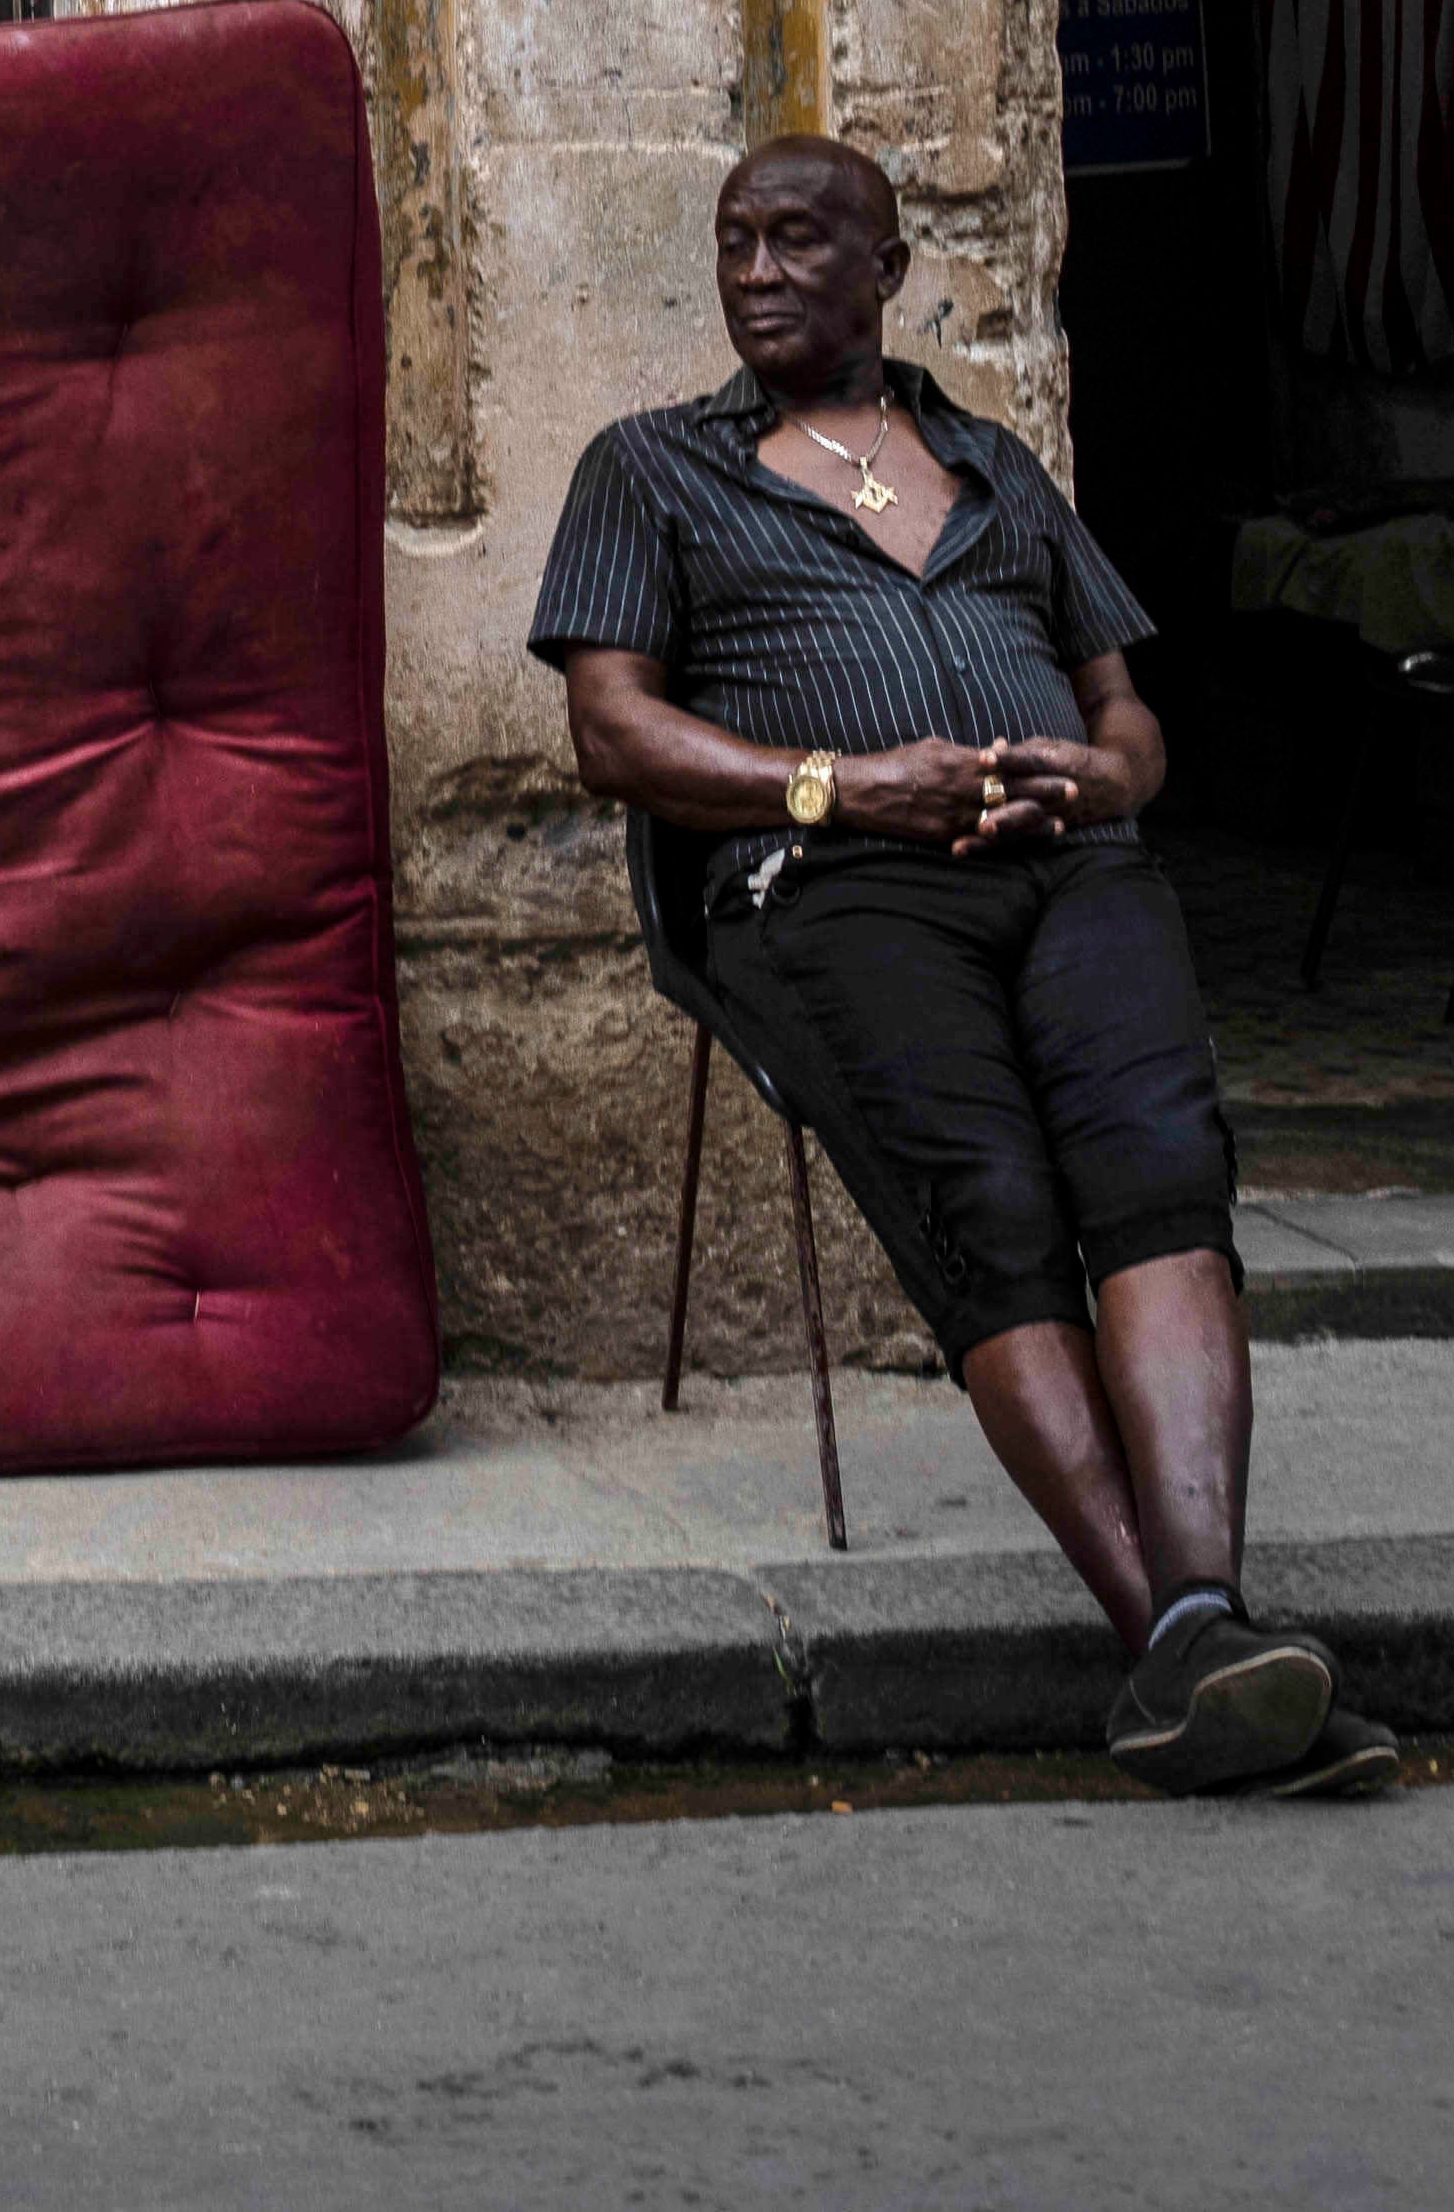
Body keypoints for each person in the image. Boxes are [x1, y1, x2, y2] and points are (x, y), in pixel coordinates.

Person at [527, 134, 1391, 1797]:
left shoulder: (996, 462)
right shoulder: (653, 467)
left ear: (888, 268)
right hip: (831, 884)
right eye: (737, 241)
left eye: (800, 239)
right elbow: (609, 731)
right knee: (992, 1199)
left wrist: (1109, 776)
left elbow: (1127, 708)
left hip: (1071, 870)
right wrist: (845, 785)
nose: (759, 270)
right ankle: (1184, 1639)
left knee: (1157, 1168)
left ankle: (1200, 1624)